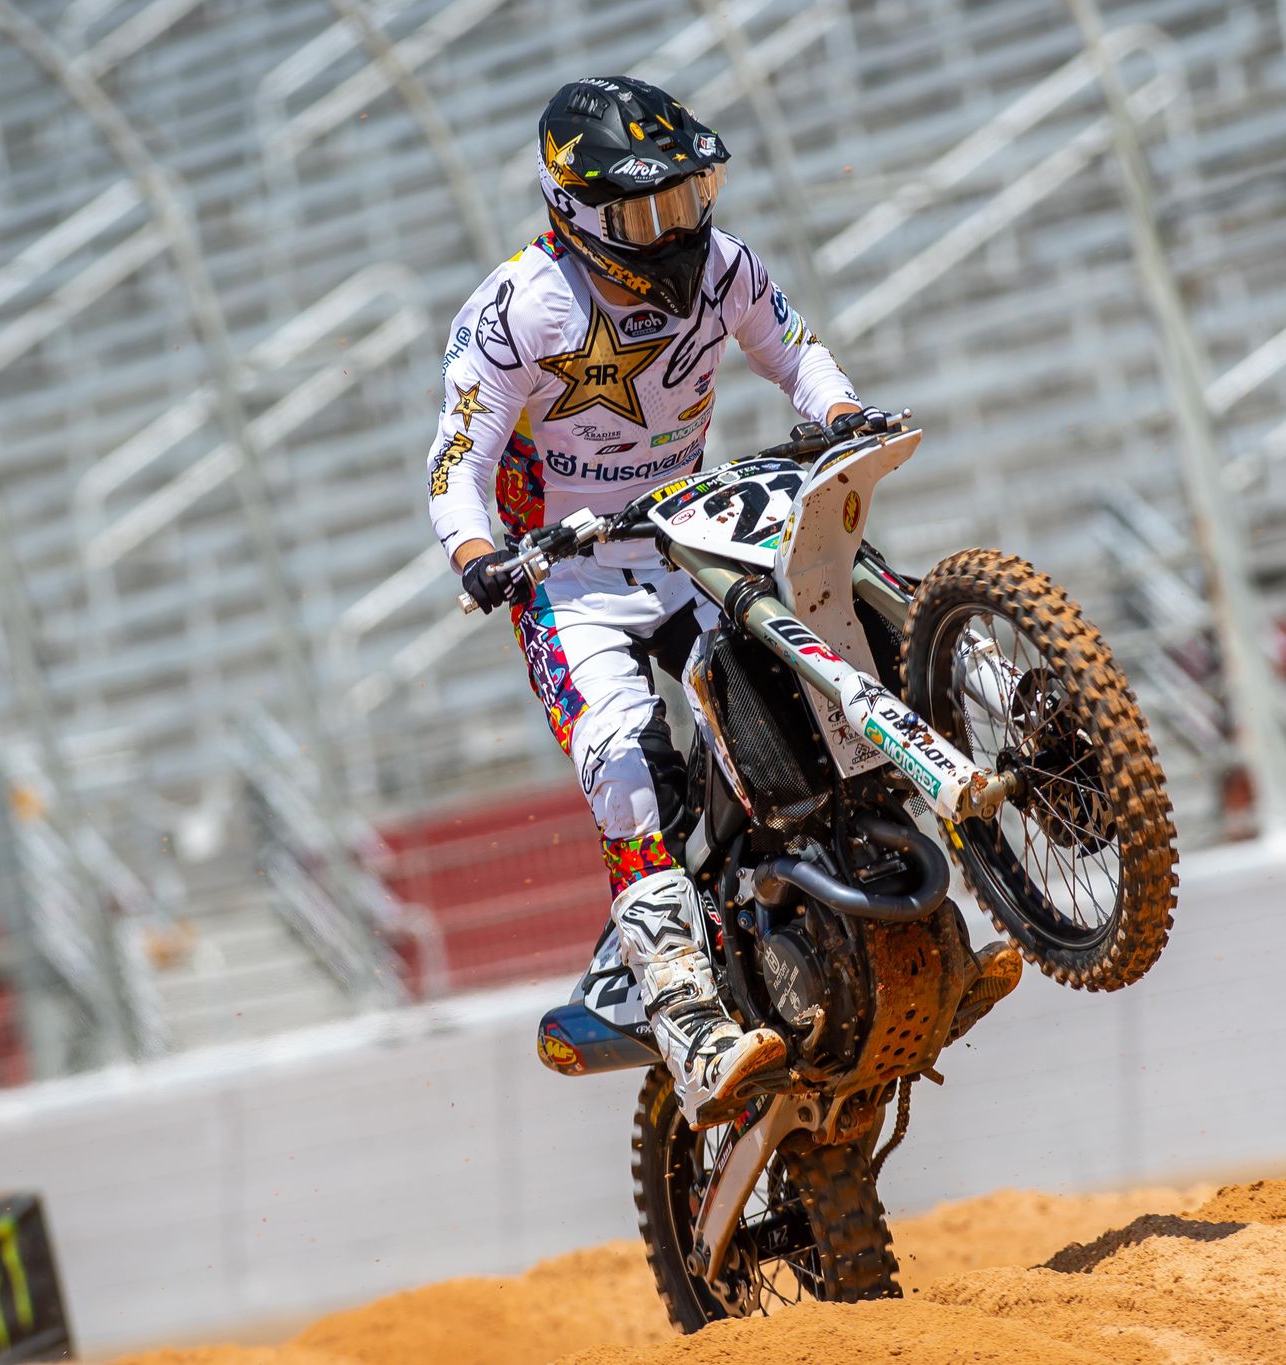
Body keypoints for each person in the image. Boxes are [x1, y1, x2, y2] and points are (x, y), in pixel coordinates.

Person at [425, 76, 887, 1127]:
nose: (676, 231)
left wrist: (841, 412)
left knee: (809, 676)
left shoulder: (725, 267)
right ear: (578, 210)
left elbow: (796, 355)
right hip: (567, 578)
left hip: (690, 537)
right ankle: (682, 1012)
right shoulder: (519, 307)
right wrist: (476, 553)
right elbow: (457, 459)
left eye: (687, 199)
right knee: (627, 770)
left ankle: (872, 899)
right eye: (646, 213)